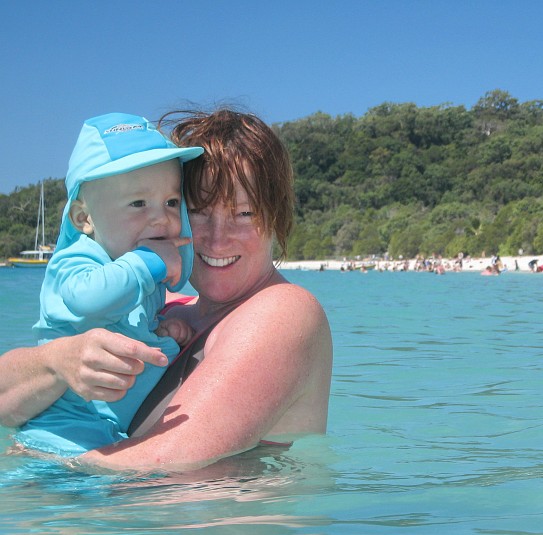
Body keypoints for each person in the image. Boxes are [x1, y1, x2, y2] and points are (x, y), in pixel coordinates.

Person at [0, 108, 333, 472]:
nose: (218, 238)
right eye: (200, 211)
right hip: (132, 522)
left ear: (277, 217)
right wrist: (58, 360)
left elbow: (173, 460)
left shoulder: (282, 312)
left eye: (245, 214)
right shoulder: (165, 311)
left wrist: (43, 465)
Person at [14, 113, 204, 457]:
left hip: (106, 434)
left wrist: (160, 329)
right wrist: (148, 262)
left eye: (172, 203)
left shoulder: (133, 271)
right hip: (59, 436)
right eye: (138, 203)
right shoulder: (76, 261)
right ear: (83, 219)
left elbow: (122, 320)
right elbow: (91, 300)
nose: (161, 217)